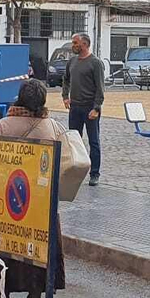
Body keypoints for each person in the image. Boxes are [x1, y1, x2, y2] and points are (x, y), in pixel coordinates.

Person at [0, 79, 90, 298]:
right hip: (40, 206)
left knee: (0, 252)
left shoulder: (3, 125)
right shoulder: (53, 128)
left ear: (20, 98)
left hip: (6, 205)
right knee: (39, 254)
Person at [61, 31, 104, 185]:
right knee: (74, 141)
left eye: (75, 43)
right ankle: (73, 172)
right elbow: (65, 80)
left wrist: (96, 108)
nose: (73, 46)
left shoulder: (95, 63)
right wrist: (65, 96)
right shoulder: (71, 62)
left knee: (94, 141)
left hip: (90, 108)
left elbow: (100, 88)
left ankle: (94, 173)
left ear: (84, 44)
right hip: (75, 108)